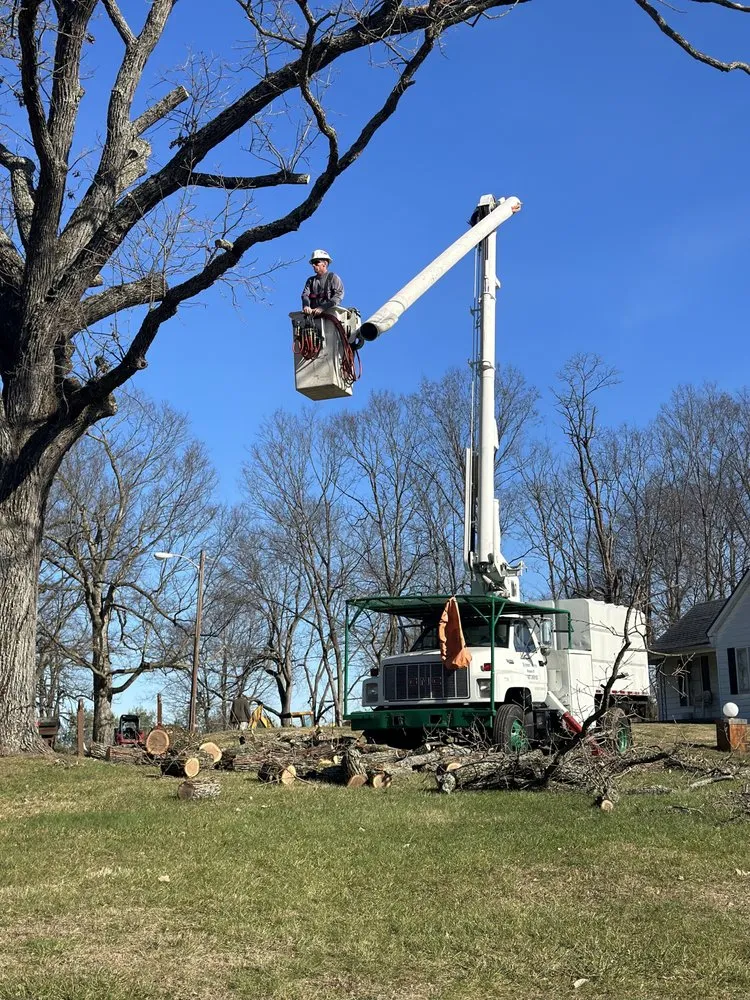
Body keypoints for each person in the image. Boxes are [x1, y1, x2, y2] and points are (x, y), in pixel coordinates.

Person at [301, 249, 344, 316]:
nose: (313, 265)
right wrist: (306, 306)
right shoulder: (310, 280)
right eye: (312, 263)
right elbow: (305, 295)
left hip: (330, 314)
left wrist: (323, 308)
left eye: (316, 262)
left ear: (325, 264)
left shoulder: (333, 278)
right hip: (313, 316)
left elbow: (338, 296)